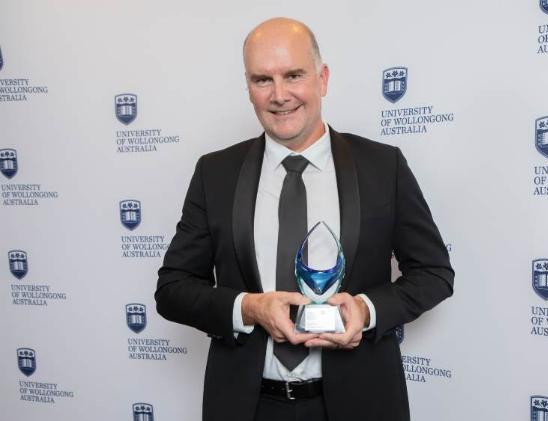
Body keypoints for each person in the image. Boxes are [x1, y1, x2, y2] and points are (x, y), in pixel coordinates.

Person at [155, 17, 454, 421]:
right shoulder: (216, 173)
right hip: (247, 406)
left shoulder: (383, 167)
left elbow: (434, 272)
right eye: (263, 80)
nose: (280, 95)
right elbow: (172, 289)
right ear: (248, 88)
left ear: (322, 78)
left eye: (293, 75)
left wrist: (366, 310)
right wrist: (250, 308)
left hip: (362, 403)